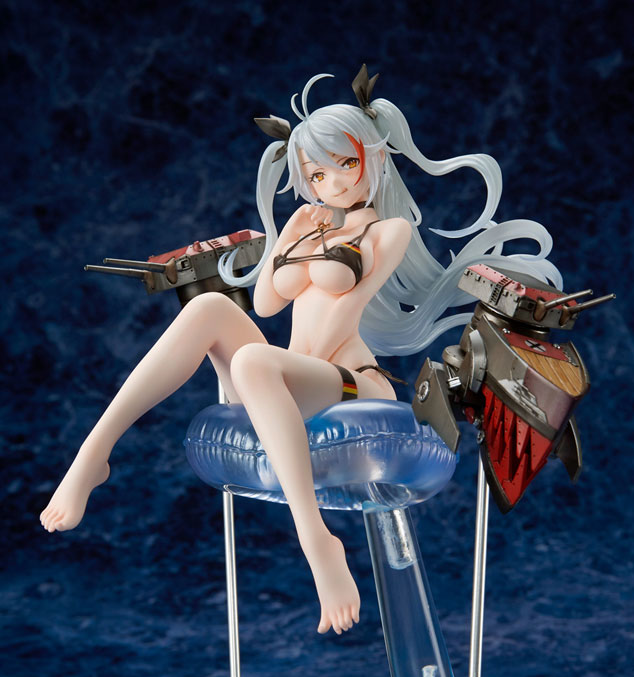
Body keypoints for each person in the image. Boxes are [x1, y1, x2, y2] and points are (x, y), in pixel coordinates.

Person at [40, 67, 560, 635]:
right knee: (209, 308)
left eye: (343, 164)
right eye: (315, 172)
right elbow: (266, 304)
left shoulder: (386, 232)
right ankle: (93, 455)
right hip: (285, 375)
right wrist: (293, 241)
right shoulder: (304, 224)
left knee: (253, 360)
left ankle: (318, 544)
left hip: (348, 378)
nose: (330, 183)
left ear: (373, 158)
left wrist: (309, 275)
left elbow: (342, 313)